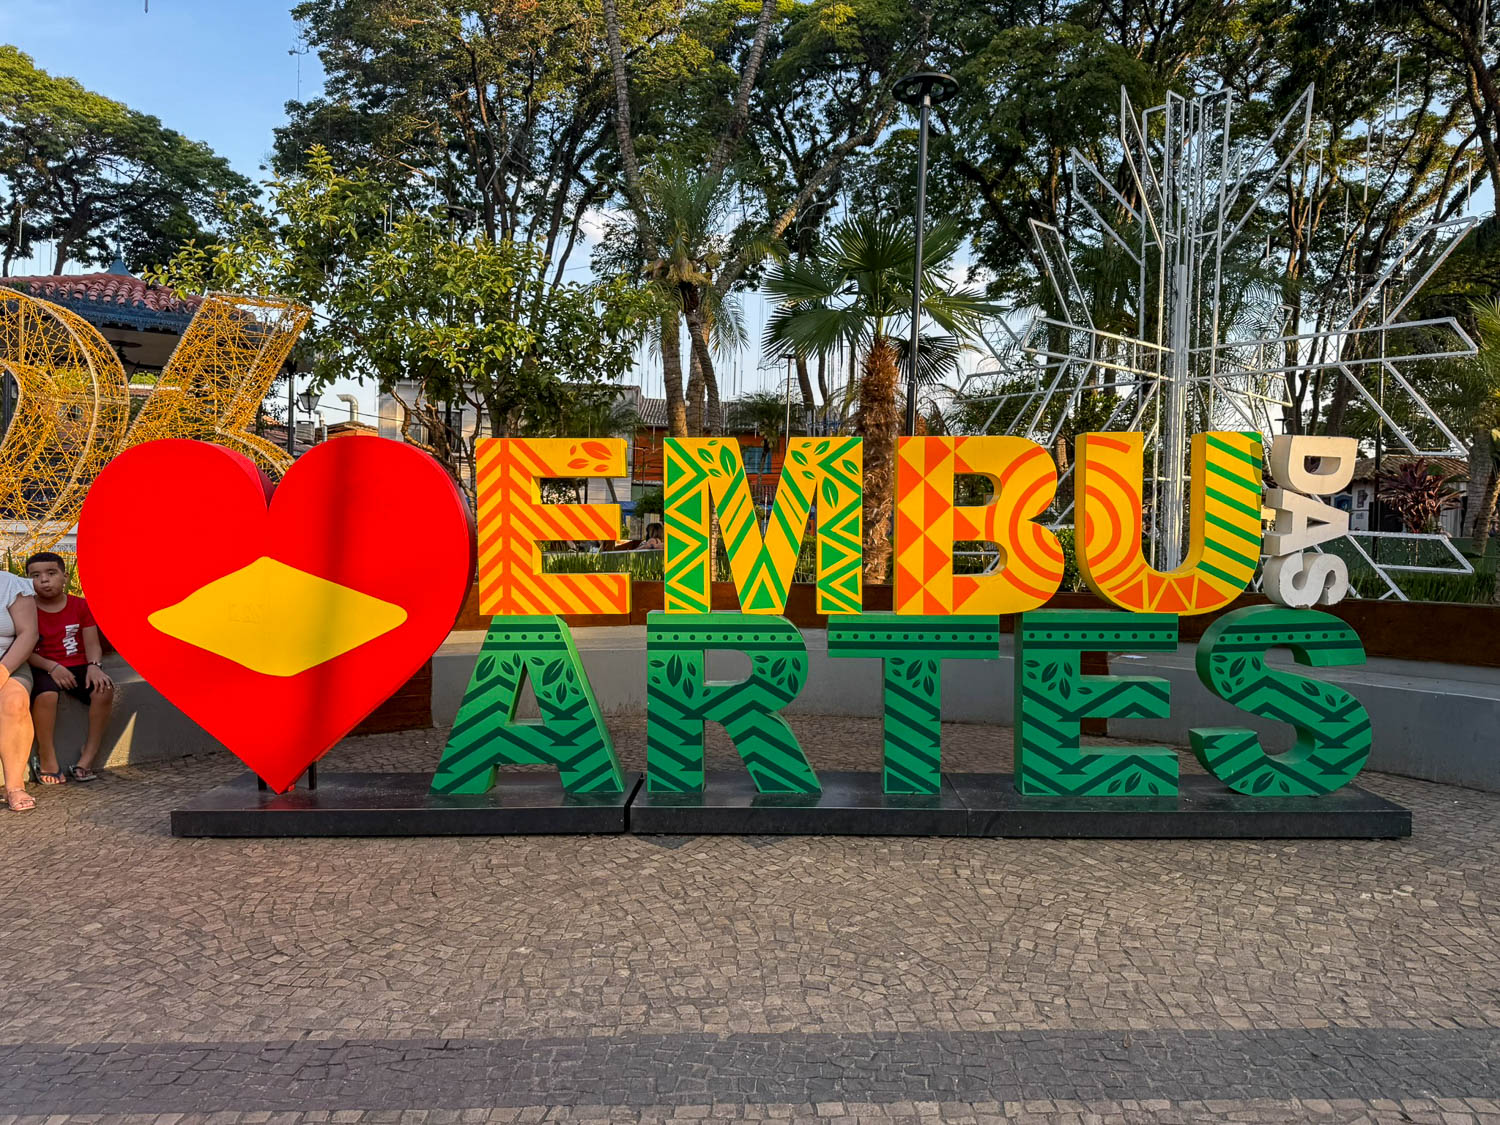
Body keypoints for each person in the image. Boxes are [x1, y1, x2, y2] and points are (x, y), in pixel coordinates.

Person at [25, 552, 113, 784]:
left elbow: (92, 644)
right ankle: (47, 756)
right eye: (36, 575)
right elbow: (25, 649)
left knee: (103, 688)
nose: (44, 580)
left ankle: (88, 756)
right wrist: (52, 667)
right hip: (44, 666)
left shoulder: (80, 606)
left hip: (79, 665)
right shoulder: (27, 609)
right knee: (46, 695)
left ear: (65, 576)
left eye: (51, 573)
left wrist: (95, 666)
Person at [0, 569, 38, 811]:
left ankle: (14, 786)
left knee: (14, 703)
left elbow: (29, 634)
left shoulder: (11, 585)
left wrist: (2, 671)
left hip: (8, 662)